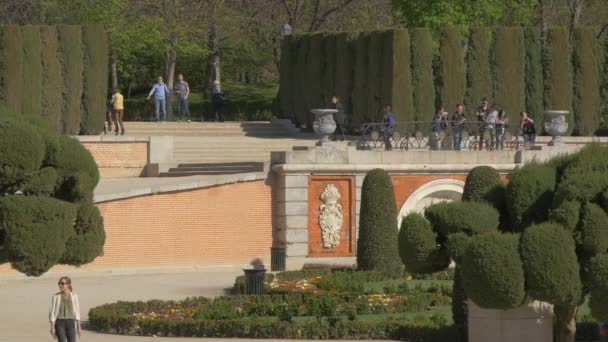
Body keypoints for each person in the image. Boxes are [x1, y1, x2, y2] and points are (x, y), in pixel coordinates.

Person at [49, 276, 81, 342]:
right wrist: (52, 327)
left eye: (62, 283)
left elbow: (77, 312)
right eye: (59, 283)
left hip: (71, 322)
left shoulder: (74, 296)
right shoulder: (55, 297)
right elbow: (52, 312)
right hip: (59, 323)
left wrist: (78, 327)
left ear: (68, 284)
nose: (60, 285)